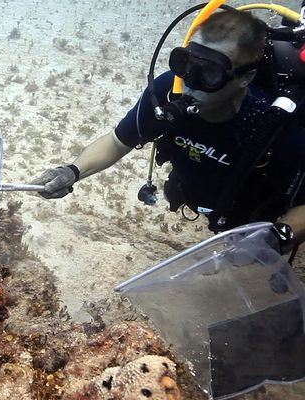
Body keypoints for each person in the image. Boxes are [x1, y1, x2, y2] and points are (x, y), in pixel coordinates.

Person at [31, 9, 305, 253]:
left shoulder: (274, 126)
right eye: (186, 64)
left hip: (249, 215)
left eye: (210, 73)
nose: (190, 84)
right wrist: (72, 171)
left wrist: (278, 236)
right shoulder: (167, 90)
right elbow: (117, 142)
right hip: (195, 190)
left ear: (245, 77)